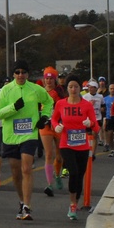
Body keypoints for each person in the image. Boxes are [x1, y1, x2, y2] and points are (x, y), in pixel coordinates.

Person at [0, 60, 54, 221]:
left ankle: (27, 206)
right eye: (18, 72)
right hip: (11, 136)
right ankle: (21, 201)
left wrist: (45, 117)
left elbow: (48, 101)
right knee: (16, 171)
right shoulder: (6, 90)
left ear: (28, 74)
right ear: (13, 74)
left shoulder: (35, 89)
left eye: (24, 72)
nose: (21, 75)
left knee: (26, 168)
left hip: (29, 134)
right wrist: (13, 107)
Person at [51, 76, 100, 220]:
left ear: (80, 88)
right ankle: (72, 204)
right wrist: (57, 126)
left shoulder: (87, 105)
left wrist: (89, 123)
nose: (73, 89)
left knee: (80, 176)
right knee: (73, 172)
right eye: (71, 86)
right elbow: (54, 119)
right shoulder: (61, 104)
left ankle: (75, 202)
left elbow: (96, 127)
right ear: (67, 88)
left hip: (82, 145)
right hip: (66, 144)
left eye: (76, 87)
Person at [38, 67, 65, 196]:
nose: (48, 81)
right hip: (45, 125)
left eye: (51, 79)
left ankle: (58, 175)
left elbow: (64, 108)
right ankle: (49, 185)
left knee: (59, 156)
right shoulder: (40, 92)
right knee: (48, 154)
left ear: (55, 80)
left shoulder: (60, 93)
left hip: (58, 125)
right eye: (46, 78)